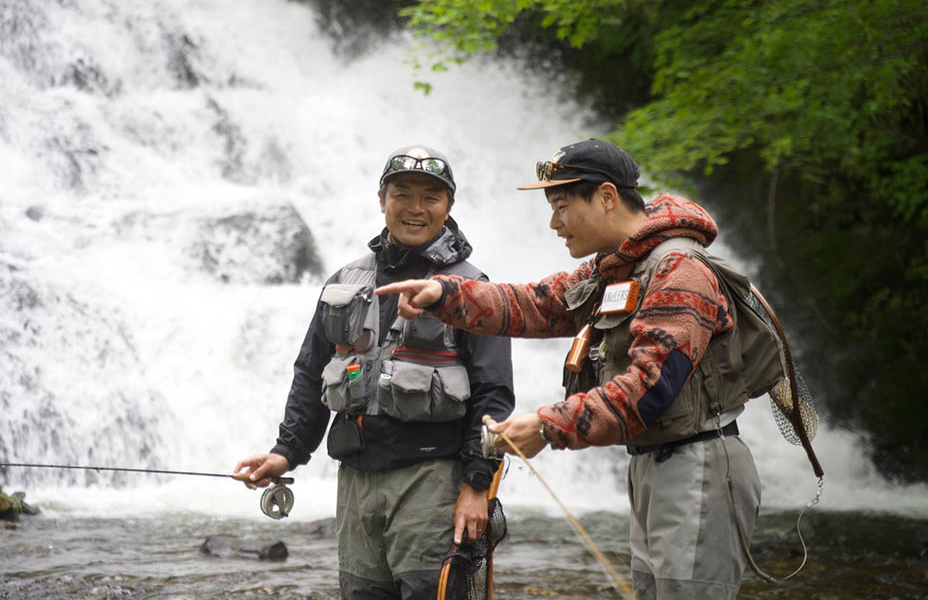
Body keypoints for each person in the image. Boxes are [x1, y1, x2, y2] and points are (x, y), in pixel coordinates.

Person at [375, 139, 763, 599]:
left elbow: (648, 389)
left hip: (698, 465)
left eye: (561, 205)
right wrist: (445, 295)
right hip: (656, 465)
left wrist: (546, 426)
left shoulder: (680, 270)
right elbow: (537, 304)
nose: (554, 222)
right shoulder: (614, 270)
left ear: (605, 197)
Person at [233, 145, 514, 599]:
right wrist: (287, 451)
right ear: (381, 199)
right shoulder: (345, 281)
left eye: (431, 197)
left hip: (433, 481)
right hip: (357, 480)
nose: (416, 208)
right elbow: (311, 372)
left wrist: (477, 485)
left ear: (449, 206)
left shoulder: (472, 289)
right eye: (402, 194)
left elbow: (493, 396)